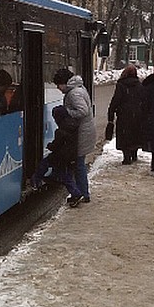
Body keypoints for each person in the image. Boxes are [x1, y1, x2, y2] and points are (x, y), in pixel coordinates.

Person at [54, 67, 96, 205]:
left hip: (81, 133)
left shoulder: (74, 93)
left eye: (58, 85)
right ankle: (83, 193)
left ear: (64, 82)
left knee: (78, 165)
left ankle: (82, 193)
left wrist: (66, 112)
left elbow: (82, 111)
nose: (58, 88)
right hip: (84, 131)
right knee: (79, 164)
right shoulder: (78, 88)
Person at [30, 105, 85, 205]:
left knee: (45, 164)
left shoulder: (60, 131)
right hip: (70, 156)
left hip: (61, 157)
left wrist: (50, 146)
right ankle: (75, 193)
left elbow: (56, 145)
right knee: (66, 175)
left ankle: (36, 180)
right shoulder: (73, 126)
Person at [108, 64, 145, 164]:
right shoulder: (139, 85)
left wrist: (111, 113)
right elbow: (144, 100)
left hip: (124, 115)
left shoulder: (121, 85)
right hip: (137, 115)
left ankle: (127, 157)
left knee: (125, 135)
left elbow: (116, 100)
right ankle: (134, 154)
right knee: (135, 134)